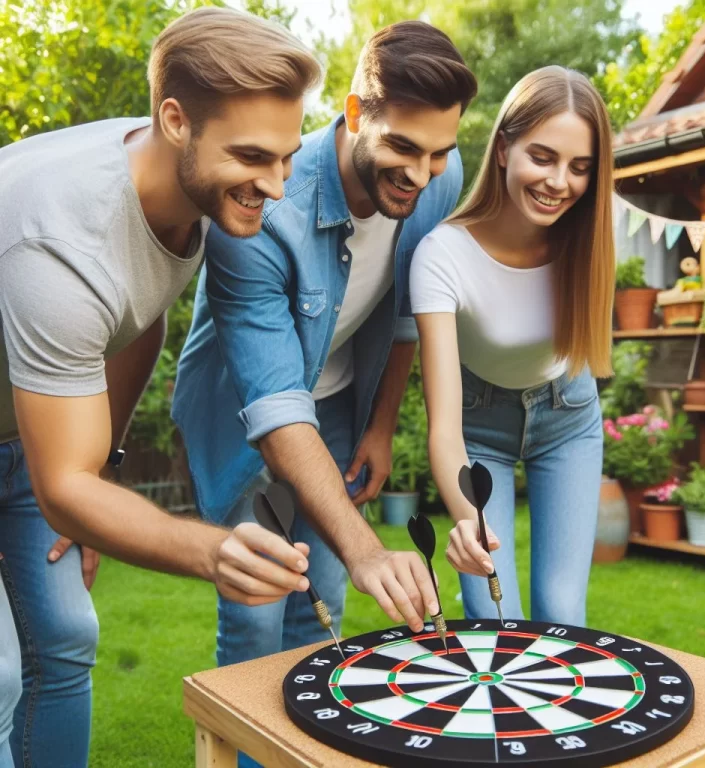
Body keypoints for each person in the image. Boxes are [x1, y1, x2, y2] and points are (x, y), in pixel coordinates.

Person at [0, 8, 322, 767]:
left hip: (22, 423)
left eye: (287, 157)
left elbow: (138, 314)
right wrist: (215, 552)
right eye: (253, 157)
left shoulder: (189, 187)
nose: (276, 186)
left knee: (68, 637)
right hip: (29, 426)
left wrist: (100, 472)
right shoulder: (62, 238)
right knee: (0, 673)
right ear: (175, 119)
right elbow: (62, 488)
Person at [172, 19, 476, 751]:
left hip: (338, 404)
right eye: (402, 146)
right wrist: (369, 547)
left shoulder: (443, 175)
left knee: (324, 601)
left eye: (437, 151)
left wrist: (378, 425)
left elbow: (406, 313)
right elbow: (275, 404)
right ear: (353, 114)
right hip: (244, 410)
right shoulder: (260, 214)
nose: (420, 171)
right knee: (258, 604)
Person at [410, 66, 614, 628]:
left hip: (568, 416)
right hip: (478, 429)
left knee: (562, 614)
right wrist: (465, 519)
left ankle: (570, 719)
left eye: (580, 167)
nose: (559, 182)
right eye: (542, 157)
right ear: (503, 149)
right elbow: (444, 427)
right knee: (493, 616)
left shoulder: (587, 237)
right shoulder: (441, 256)